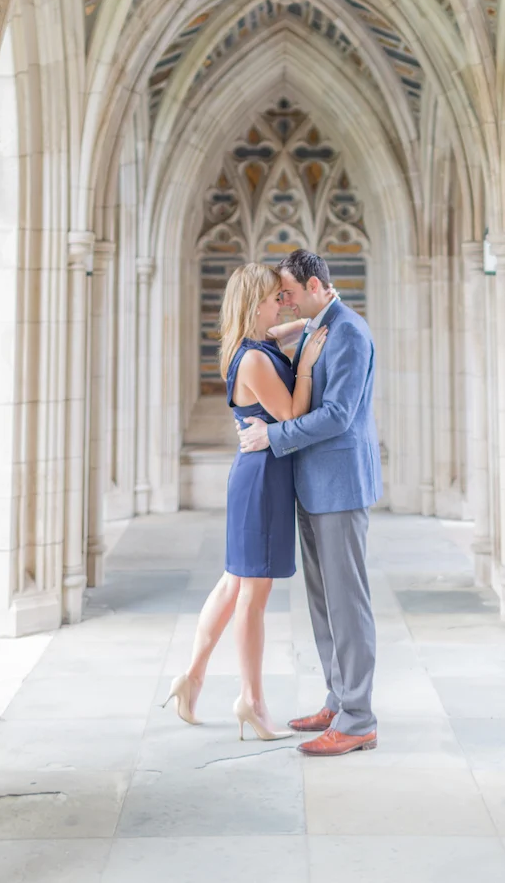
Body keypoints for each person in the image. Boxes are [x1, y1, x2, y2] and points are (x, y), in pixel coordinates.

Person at [164, 263, 327, 739]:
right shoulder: (256, 359)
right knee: (253, 597)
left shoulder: (257, 345)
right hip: (262, 481)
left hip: (258, 474)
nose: (285, 303)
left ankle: (191, 678)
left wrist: (317, 319)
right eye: (277, 297)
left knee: (233, 584)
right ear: (257, 303)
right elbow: (292, 413)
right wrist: (310, 363)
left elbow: (288, 328)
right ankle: (252, 700)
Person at [238, 249, 382, 757]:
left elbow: (339, 415)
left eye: (291, 294)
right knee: (323, 604)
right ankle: (339, 699)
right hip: (313, 485)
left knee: (348, 603)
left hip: (340, 485)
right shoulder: (318, 327)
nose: (286, 302)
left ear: (317, 286)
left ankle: (359, 719)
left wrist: (273, 436)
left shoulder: (348, 332)